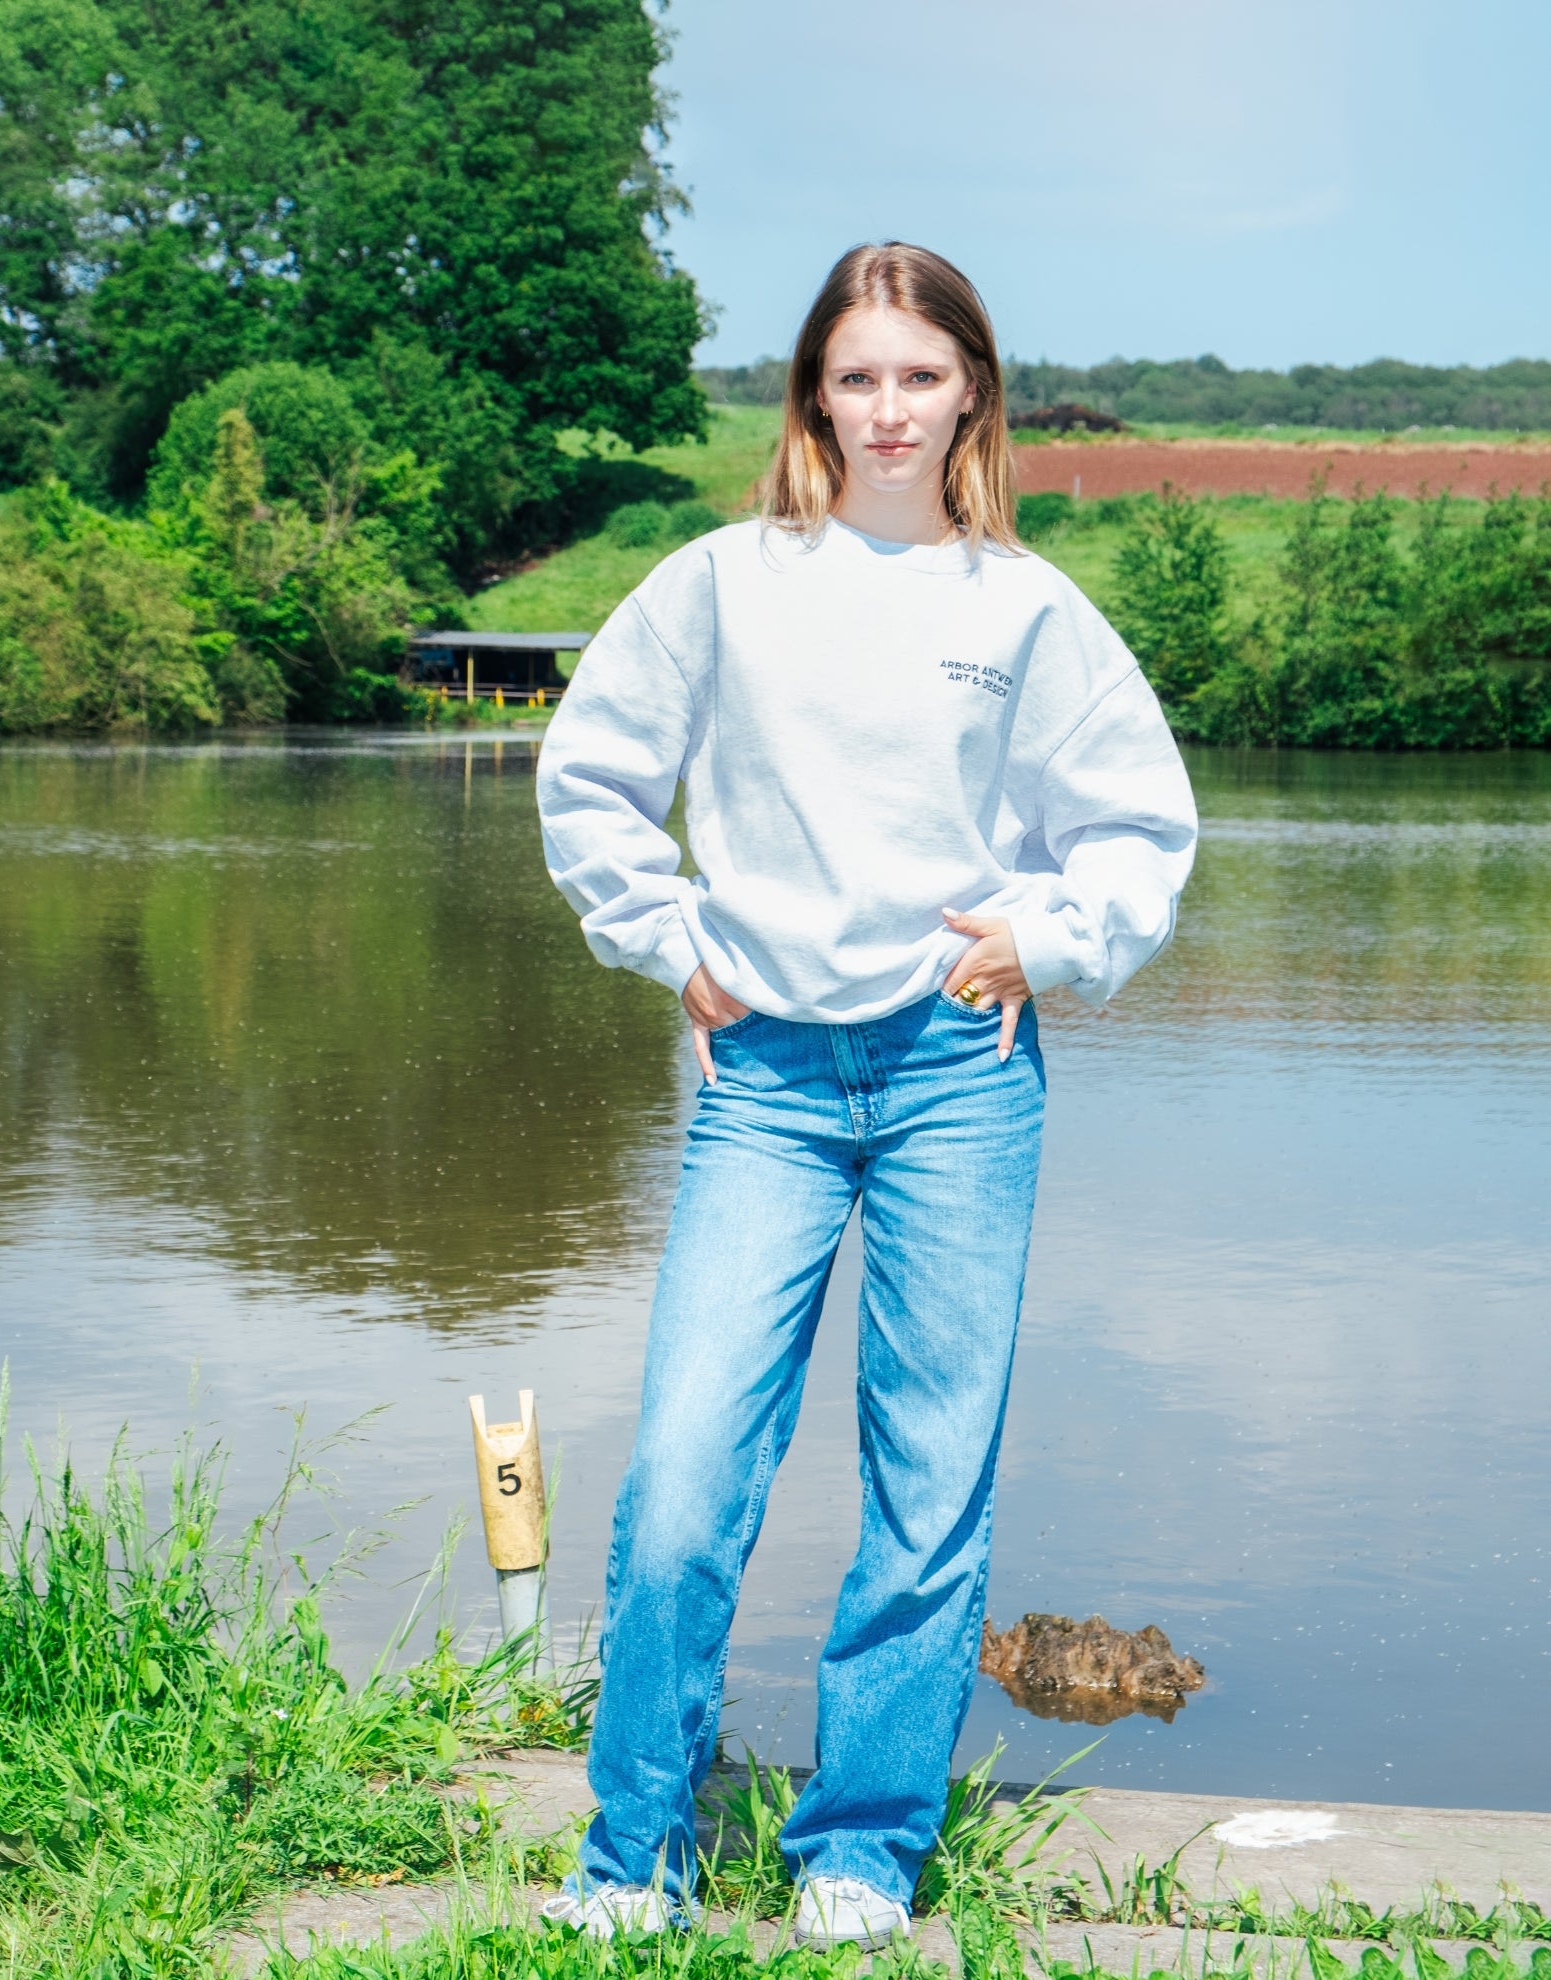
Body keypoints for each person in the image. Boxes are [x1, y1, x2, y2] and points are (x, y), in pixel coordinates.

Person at [535, 241, 1197, 1947]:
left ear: (972, 385)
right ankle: (634, 1855)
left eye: (922, 374)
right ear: (814, 394)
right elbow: (593, 771)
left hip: (955, 1080)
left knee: (927, 1482)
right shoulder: (723, 582)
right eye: (857, 375)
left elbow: (1136, 829)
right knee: (684, 1474)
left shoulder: (1023, 610)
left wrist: (1043, 932)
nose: (889, 408)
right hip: (761, 1076)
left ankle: (862, 1848)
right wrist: (667, 936)